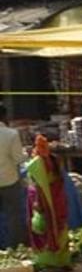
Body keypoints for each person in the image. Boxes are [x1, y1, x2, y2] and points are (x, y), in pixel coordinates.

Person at [26, 136, 71, 270]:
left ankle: (49, 263)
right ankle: (63, 260)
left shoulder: (36, 164)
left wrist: (38, 203)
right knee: (60, 226)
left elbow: (39, 186)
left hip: (43, 199)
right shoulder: (55, 159)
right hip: (58, 199)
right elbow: (60, 180)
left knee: (44, 230)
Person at [0, 103, 27, 249]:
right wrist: (26, 153)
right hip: (9, 180)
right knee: (14, 217)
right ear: (4, 116)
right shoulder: (11, 134)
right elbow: (18, 159)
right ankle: (16, 249)